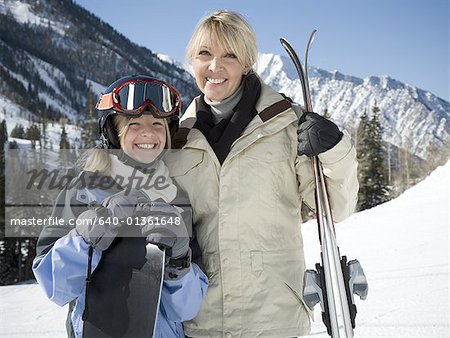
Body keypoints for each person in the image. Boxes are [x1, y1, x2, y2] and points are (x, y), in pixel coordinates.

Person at [165, 10, 358, 337]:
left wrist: (334, 148)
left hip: (273, 320)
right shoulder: (178, 138)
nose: (215, 66)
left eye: (230, 54)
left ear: (247, 62)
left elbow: (337, 207)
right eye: (204, 54)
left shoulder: (286, 123)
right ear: (191, 62)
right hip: (200, 322)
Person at [32, 75, 208, 338]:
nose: (148, 133)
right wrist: (84, 240)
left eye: (157, 124)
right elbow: (54, 286)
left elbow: (186, 309)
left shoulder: (176, 198)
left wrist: (179, 261)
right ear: (113, 131)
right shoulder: (84, 190)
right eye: (134, 124)